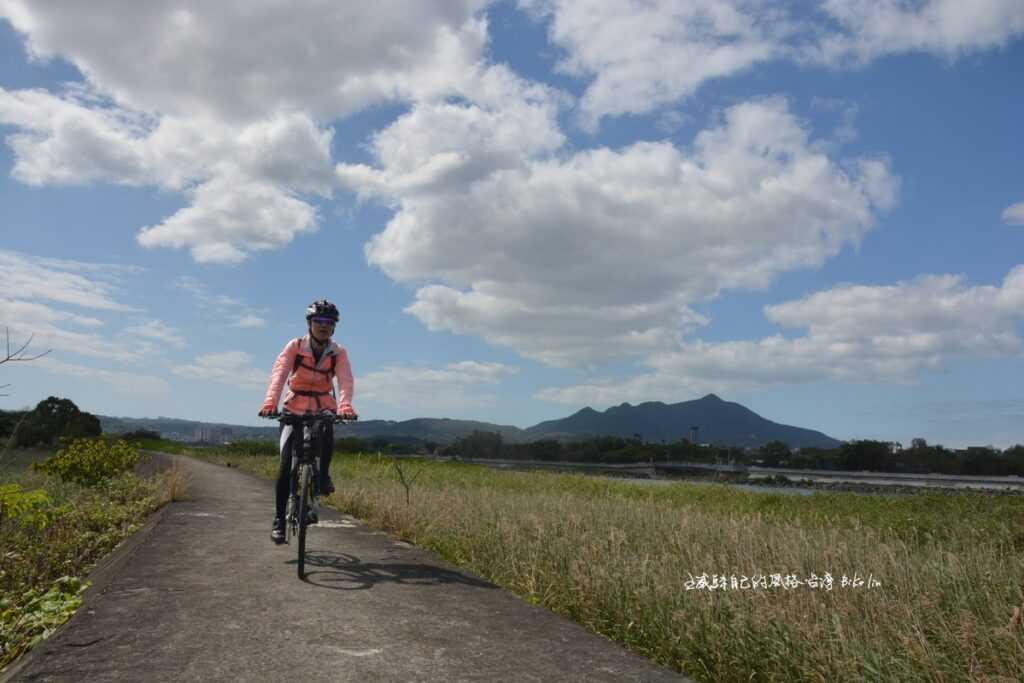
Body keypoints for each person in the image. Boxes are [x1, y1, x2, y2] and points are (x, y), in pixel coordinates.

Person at [259, 299, 357, 544]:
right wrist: (270, 402)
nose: (323, 326)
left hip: (323, 406)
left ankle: (323, 475)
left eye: (329, 322)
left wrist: (345, 405)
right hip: (294, 407)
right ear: (309, 323)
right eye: (318, 321)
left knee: (327, 432)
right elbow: (280, 373)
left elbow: (345, 380)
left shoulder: (338, 352)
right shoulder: (295, 346)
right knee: (284, 468)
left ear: (334, 327)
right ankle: (279, 521)